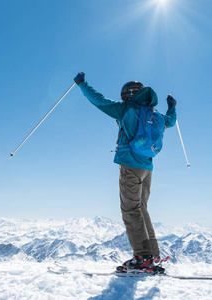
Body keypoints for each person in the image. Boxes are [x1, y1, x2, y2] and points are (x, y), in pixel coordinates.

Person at [74, 72, 177, 270]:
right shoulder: (155, 115)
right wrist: (172, 106)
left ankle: (142, 256)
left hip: (130, 165)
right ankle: (152, 254)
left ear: (126, 95)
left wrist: (82, 84)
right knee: (142, 209)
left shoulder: (126, 109)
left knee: (130, 210)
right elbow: (171, 121)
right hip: (147, 168)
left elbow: (100, 101)